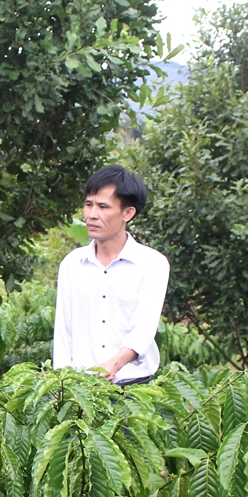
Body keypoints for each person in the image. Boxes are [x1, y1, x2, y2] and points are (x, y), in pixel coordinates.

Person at [53, 164, 170, 385]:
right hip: (80, 388)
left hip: (134, 388)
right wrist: (60, 385)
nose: (91, 215)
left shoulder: (152, 264)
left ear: (128, 213)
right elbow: (63, 332)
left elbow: (143, 329)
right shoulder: (72, 264)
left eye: (103, 207)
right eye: (89, 204)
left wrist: (114, 365)